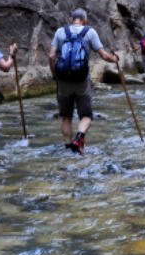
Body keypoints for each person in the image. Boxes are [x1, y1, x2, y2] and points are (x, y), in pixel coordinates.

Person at [49, 8, 118, 154]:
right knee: (86, 116)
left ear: (72, 19)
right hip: (82, 80)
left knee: (66, 116)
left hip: (63, 80)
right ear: (84, 19)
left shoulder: (61, 32)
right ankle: (79, 137)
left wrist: (55, 74)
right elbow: (104, 55)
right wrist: (115, 59)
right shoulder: (89, 32)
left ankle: (68, 146)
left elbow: (51, 56)